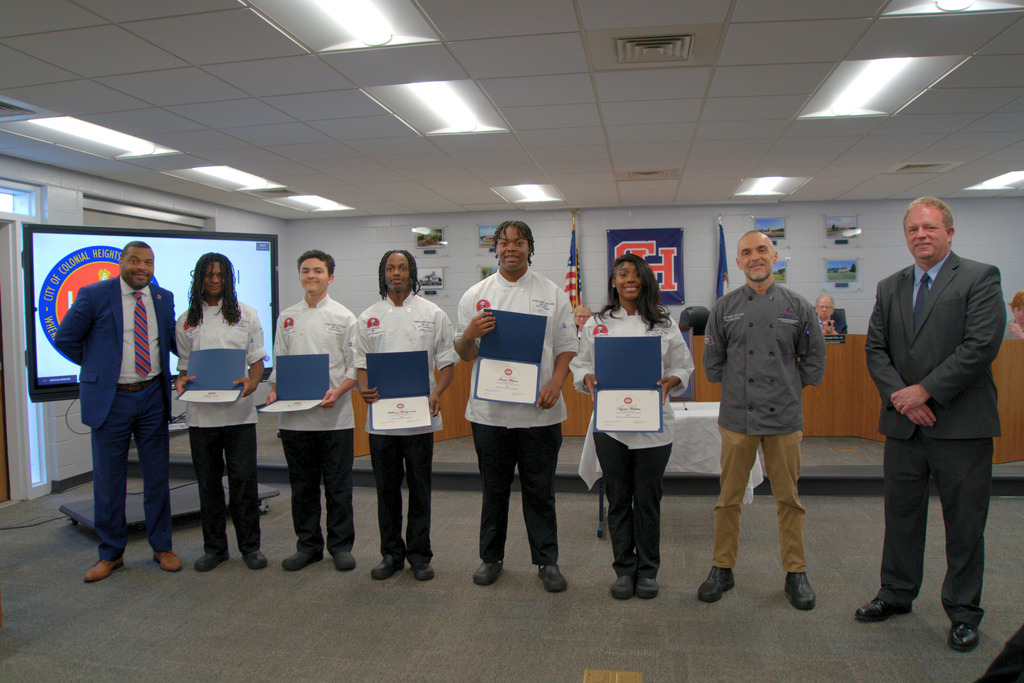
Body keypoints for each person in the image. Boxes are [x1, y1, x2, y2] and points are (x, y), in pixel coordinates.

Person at [856, 197, 1005, 653]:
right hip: (905, 427)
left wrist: (926, 391)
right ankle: (897, 593)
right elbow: (876, 350)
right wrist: (904, 399)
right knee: (900, 516)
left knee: (963, 523)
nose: (921, 235)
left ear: (950, 233)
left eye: (930, 227)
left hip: (961, 426)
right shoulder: (890, 286)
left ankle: (963, 612)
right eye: (913, 229)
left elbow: (981, 345)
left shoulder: (980, 277)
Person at [698, 230, 826, 610]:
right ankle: (723, 568)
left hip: (784, 419)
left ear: (775, 256)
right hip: (737, 418)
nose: (755, 258)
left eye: (762, 251)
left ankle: (796, 571)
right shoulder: (724, 308)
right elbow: (712, 365)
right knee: (728, 499)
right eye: (747, 253)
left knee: (789, 499)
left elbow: (815, 362)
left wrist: (784, 386)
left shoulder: (798, 307)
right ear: (738, 261)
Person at [454, 220, 577, 593]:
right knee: (494, 489)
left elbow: (566, 346)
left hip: (539, 411)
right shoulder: (475, 295)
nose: (512, 248)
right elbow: (464, 355)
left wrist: (557, 383)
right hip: (489, 414)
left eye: (519, 242)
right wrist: (469, 335)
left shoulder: (552, 293)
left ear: (529, 247)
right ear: (495, 249)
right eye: (504, 242)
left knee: (540, 490)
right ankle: (491, 558)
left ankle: (547, 561)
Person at [54, 241, 181, 582]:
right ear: (121, 262)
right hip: (112, 400)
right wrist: (100, 365)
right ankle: (111, 554)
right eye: (135, 261)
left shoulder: (162, 297)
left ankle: (162, 547)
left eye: (149, 262)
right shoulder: (94, 294)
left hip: (153, 395)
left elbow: (171, 342)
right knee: (110, 481)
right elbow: (65, 338)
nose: (142, 267)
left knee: (157, 477)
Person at [570, 253, 693, 600]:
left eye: (635, 274)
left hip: (654, 426)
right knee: (619, 499)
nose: (629, 279)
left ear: (645, 281)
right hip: (611, 426)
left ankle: (649, 570)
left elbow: (684, 366)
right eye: (621, 273)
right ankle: (624, 568)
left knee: (648, 500)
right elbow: (580, 364)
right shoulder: (596, 324)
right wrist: (586, 376)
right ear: (613, 281)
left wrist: (673, 380)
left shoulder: (665, 324)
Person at [354, 250, 456, 582]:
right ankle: (391, 554)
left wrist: (437, 392)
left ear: (412, 272)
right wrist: (363, 388)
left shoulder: (434, 314)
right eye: (390, 268)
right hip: (382, 420)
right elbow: (360, 366)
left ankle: (419, 555)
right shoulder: (368, 317)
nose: (396, 273)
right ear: (383, 274)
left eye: (402, 267)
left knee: (419, 488)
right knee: (386, 490)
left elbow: (447, 363)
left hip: (418, 417)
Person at [266, 250, 359, 572]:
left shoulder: (345, 317)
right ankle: (308, 546)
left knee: (338, 486)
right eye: (305, 271)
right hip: (294, 419)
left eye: (318, 271)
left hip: (335, 417)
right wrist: (274, 390)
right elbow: (280, 361)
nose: (311, 276)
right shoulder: (287, 317)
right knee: (302, 487)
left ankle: (340, 546)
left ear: (330, 277)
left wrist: (340, 391)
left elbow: (354, 368)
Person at [173, 253, 267, 572]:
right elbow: (183, 367)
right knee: (208, 484)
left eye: (220, 275)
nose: (214, 280)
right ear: (198, 279)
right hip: (201, 417)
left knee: (244, 483)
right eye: (208, 275)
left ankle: (250, 547)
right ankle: (215, 548)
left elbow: (257, 360)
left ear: (229, 279)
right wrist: (180, 382)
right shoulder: (187, 319)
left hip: (239, 415)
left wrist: (253, 382)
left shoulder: (246, 315)